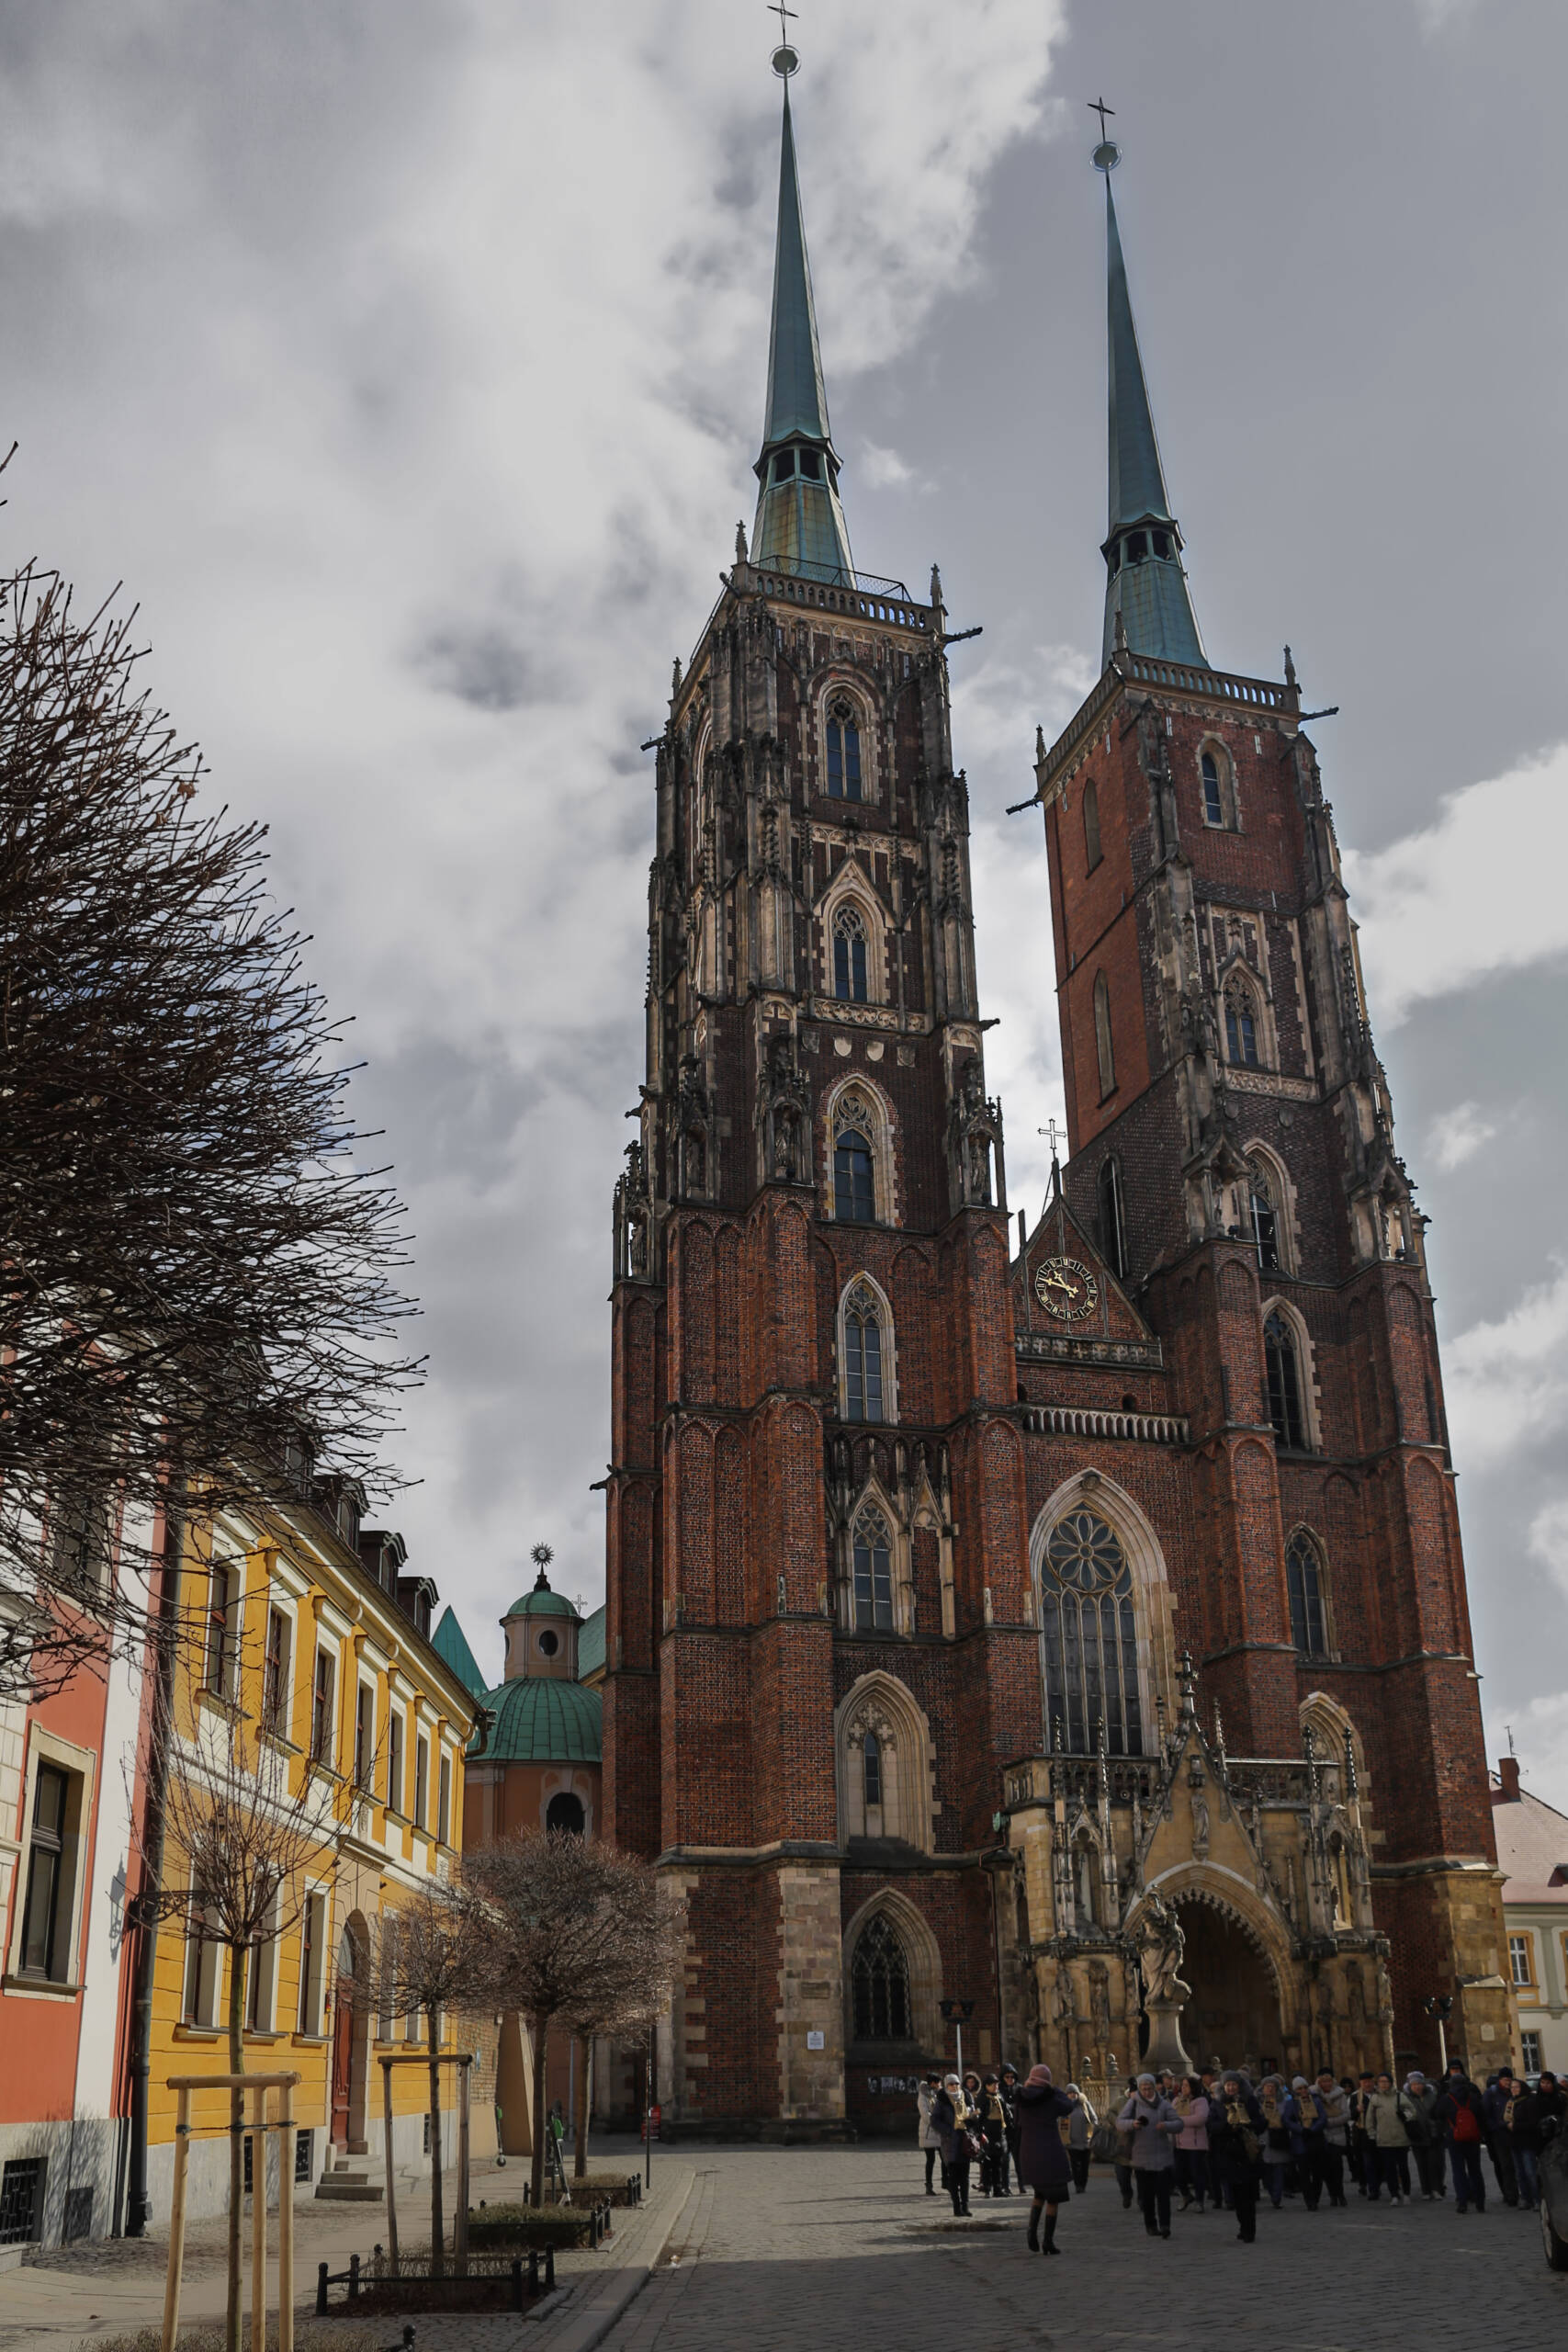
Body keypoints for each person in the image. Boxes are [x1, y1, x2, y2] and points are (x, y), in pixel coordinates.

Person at [1016, 2063, 1078, 2255]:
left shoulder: (1021, 2097)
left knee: (1039, 2193)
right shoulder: (1051, 2098)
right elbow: (1068, 2106)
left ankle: (1031, 2231)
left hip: (1029, 2151)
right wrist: (1056, 2090)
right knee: (1054, 2198)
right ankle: (1048, 2241)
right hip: (1050, 2152)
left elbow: (1017, 2122)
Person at [1117, 2072, 1182, 2238]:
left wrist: (1166, 2125)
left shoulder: (1164, 2104)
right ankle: (1151, 2224)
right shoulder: (1133, 2103)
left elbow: (1179, 2124)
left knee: (1163, 2195)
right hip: (1141, 2157)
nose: (1146, 2091)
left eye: (1149, 2088)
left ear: (1155, 2088)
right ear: (1139, 2089)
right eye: (1143, 2088)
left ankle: (1165, 2225)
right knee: (1147, 2195)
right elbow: (1120, 2122)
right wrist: (1133, 2124)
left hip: (1162, 2156)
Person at [1208, 2074, 1263, 2245]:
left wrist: (1247, 2125)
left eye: (1234, 2085)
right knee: (1236, 2195)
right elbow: (1211, 2125)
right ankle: (1242, 2226)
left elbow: (1262, 2122)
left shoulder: (1250, 2101)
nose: (1231, 2088)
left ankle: (1250, 2229)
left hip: (1247, 2151)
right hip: (1228, 2151)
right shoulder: (1218, 2103)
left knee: (1247, 2193)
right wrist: (1227, 2127)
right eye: (1228, 2085)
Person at [1435, 2062, 1489, 2214]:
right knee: (1475, 2170)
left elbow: (1437, 2114)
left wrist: (1445, 2130)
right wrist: (1482, 2135)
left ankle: (1462, 2202)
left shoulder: (1447, 2099)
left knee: (1458, 2170)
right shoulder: (1473, 2097)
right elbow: (1482, 2117)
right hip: (1473, 2138)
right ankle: (1480, 2203)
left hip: (1454, 2138)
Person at [1362, 2071, 1412, 2204]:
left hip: (1401, 2138)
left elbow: (1412, 2111)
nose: (1383, 2084)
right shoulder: (1375, 2098)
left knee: (1403, 2168)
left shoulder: (1400, 2096)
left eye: (1386, 2082)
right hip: (1384, 2139)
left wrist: (1405, 2116)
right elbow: (1369, 2118)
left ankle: (1406, 2193)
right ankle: (1394, 2194)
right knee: (1389, 2169)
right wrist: (1371, 2133)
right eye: (1381, 2082)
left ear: (1391, 2083)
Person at [932, 2072, 975, 2217]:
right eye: (951, 2084)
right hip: (950, 2143)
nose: (954, 2086)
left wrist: (972, 2120)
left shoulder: (966, 2097)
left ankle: (966, 2206)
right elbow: (935, 2121)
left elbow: (973, 2115)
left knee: (965, 2177)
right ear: (946, 2085)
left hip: (964, 2141)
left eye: (956, 2083)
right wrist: (948, 2131)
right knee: (954, 2177)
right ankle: (957, 2207)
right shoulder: (942, 2100)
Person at [1402, 2070, 1446, 2200]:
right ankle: (1425, 2190)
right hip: (1417, 2135)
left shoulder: (1432, 2095)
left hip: (1432, 2134)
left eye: (1419, 2084)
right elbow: (1406, 2115)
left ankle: (1436, 2189)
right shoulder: (1406, 2098)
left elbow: (1438, 2112)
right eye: (1414, 2084)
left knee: (1434, 2163)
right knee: (1421, 2164)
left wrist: (1435, 2124)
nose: (1417, 2086)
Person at [1311, 2071, 1351, 2208]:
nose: (1326, 2084)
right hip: (1322, 2137)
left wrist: (1328, 2122)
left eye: (1328, 2081)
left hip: (1337, 2135)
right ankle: (1333, 2195)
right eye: (1323, 2082)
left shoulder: (1341, 2095)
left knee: (1337, 2168)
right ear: (1319, 2083)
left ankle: (1340, 2194)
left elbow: (1346, 2115)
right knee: (1326, 2169)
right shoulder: (1315, 2096)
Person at [1482, 2069, 1520, 2207]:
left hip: (1516, 2133)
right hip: (1499, 2135)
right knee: (1506, 2165)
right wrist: (1497, 2127)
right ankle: (1511, 2195)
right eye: (1505, 2080)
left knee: (1518, 2165)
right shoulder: (1491, 2094)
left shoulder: (1515, 2091)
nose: (1508, 2083)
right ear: (1500, 2080)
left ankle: (1521, 2192)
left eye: (1510, 2080)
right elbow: (1486, 2115)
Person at [1507, 2073, 1545, 2212]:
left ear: (1522, 2087)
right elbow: (1506, 2119)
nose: (1513, 2089)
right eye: (1511, 2087)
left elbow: (1533, 2123)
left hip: (1527, 2142)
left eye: (1516, 2087)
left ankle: (1537, 2199)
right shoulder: (1511, 2102)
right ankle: (1525, 2199)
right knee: (1519, 2173)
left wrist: (1515, 2126)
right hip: (1515, 2143)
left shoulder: (1529, 2101)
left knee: (1530, 2172)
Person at [1173, 2075, 1211, 2211]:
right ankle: (1186, 2195)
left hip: (1196, 2145)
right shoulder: (1177, 2101)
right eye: (1182, 2085)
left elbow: (1199, 2119)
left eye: (1187, 2085)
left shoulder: (1200, 2101)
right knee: (1177, 2174)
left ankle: (1200, 2201)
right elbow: (1171, 2117)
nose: (1183, 2088)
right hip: (1179, 2143)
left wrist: (1179, 2120)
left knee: (1197, 2174)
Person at [1258, 2076, 1293, 2210]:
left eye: (1272, 2086)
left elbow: (1288, 2118)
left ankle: (1276, 2197)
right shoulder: (1258, 2102)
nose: (1270, 2088)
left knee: (1278, 2170)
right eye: (1267, 2086)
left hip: (1279, 2138)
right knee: (1266, 2173)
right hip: (1263, 2138)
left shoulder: (1284, 2102)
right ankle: (1272, 2192)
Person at [979, 2074, 1010, 2197]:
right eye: (993, 2084)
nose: (996, 2087)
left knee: (998, 2163)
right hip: (987, 2133)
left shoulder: (999, 2097)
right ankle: (987, 2189)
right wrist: (979, 2133)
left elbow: (1006, 2114)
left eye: (997, 2084)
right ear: (987, 2086)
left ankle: (998, 2189)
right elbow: (979, 2118)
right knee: (987, 2164)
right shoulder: (982, 2098)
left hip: (999, 2133)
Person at [1349, 2072, 1377, 2197]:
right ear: (1360, 2083)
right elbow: (1349, 2116)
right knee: (1366, 2162)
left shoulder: (1379, 2094)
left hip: (1379, 2132)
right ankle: (1370, 2187)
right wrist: (1356, 2110)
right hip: (1362, 2134)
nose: (1367, 2084)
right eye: (1364, 2082)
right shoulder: (1355, 2097)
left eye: (1369, 2081)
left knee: (1377, 2162)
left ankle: (1373, 2185)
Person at [1065, 2082, 1096, 2192]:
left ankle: (1083, 2184)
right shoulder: (1064, 2106)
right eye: (1070, 2093)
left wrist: (1092, 2132)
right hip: (1072, 2142)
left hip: (1085, 2141)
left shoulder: (1084, 2104)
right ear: (1067, 2094)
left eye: (1074, 2093)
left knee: (1084, 2166)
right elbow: (1059, 2122)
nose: (1073, 2095)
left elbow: (1093, 2118)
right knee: (1075, 2166)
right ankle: (1078, 2185)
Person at [917, 2072, 943, 2198]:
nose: (939, 2085)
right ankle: (929, 2185)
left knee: (945, 2157)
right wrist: (935, 2121)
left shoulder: (940, 2093)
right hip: (928, 2131)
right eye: (938, 2082)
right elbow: (924, 2112)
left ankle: (946, 2181)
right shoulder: (923, 2095)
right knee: (931, 2159)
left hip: (940, 2131)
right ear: (932, 2083)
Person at [1000, 2064, 1022, 2194]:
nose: (1010, 2079)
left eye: (1012, 2077)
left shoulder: (1019, 2089)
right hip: (1004, 2129)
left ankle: (1022, 2184)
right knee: (1005, 2159)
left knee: (1019, 2159)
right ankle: (1006, 2186)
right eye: (1007, 2077)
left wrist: (1012, 2107)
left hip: (1018, 2128)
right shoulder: (1000, 2090)